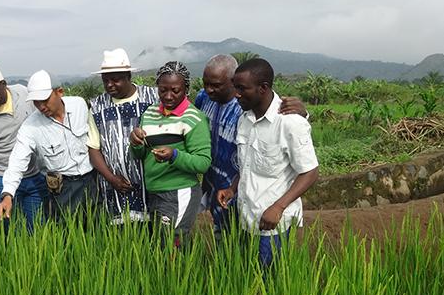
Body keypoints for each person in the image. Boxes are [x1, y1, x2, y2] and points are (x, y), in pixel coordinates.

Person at [217, 58, 319, 269]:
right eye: (235, 87)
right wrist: (232, 189)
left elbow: (310, 172)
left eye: (242, 89)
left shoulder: (290, 123)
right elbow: (248, 163)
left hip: (273, 223)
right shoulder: (245, 119)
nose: (236, 94)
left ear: (263, 88)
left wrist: (278, 207)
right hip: (246, 217)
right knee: (248, 276)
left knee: (268, 283)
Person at [195, 54, 307, 242]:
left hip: (249, 191)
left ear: (232, 83)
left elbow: (278, 122)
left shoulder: (247, 107)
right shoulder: (202, 98)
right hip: (219, 187)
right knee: (222, 236)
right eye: (205, 84)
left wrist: (302, 114)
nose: (209, 90)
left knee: (248, 241)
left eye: (216, 85)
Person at [0, 70, 97, 222]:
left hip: (91, 181)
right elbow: (17, 161)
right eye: (36, 102)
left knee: (98, 230)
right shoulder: (30, 127)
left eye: (45, 99)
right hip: (63, 189)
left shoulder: (79, 105)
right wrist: (7, 195)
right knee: (66, 236)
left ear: (59, 92)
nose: (41, 106)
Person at [129, 61, 211, 247]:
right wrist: (135, 142)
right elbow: (140, 154)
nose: (168, 96)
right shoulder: (150, 113)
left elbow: (203, 162)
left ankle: (180, 276)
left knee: (171, 244)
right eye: (163, 90)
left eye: (175, 90)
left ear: (186, 89)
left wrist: (174, 155)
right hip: (155, 192)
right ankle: (183, 275)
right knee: (167, 243)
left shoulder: (194, 118)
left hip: (179, 192)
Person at [0, 64, 49, 233]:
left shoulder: (23, 93)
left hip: (34, 175)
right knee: (12, 230)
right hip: (2, 178)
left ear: (3, 84)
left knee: (39, 228)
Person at [87, 48, 159, 223]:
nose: (109, 84)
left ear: (129, 76)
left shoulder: (153, 98)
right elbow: (93, 147)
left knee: (156, 237)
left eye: (116, 80)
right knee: (120, 239)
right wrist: (111, 178)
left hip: (151, 184)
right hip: (115, 189)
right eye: (105, 81)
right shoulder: (97, 106)